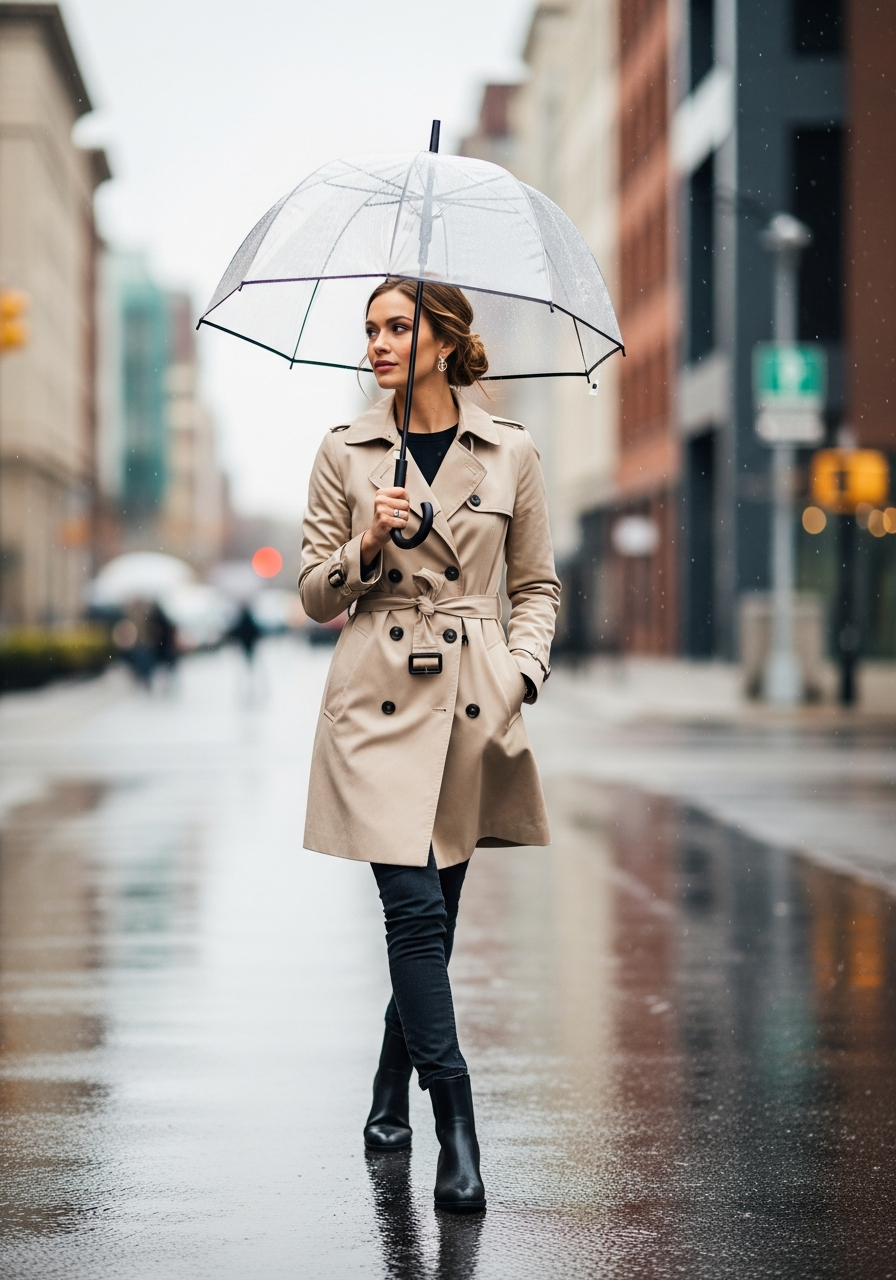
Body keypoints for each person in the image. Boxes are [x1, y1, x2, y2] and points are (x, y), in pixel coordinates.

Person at [299, 278, 560, 1214]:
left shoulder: (512, 451)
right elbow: (315, 593)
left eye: (397, 326)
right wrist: (369, 540)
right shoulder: (346, 450)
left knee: (434, 927)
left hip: (470, 710)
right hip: (376, 705)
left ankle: (384, 1093)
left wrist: (520, 673)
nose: (377, 342)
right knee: (412, 915)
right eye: (369, 328)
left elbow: (536, 587)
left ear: (444, 341)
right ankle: (457, 1122)